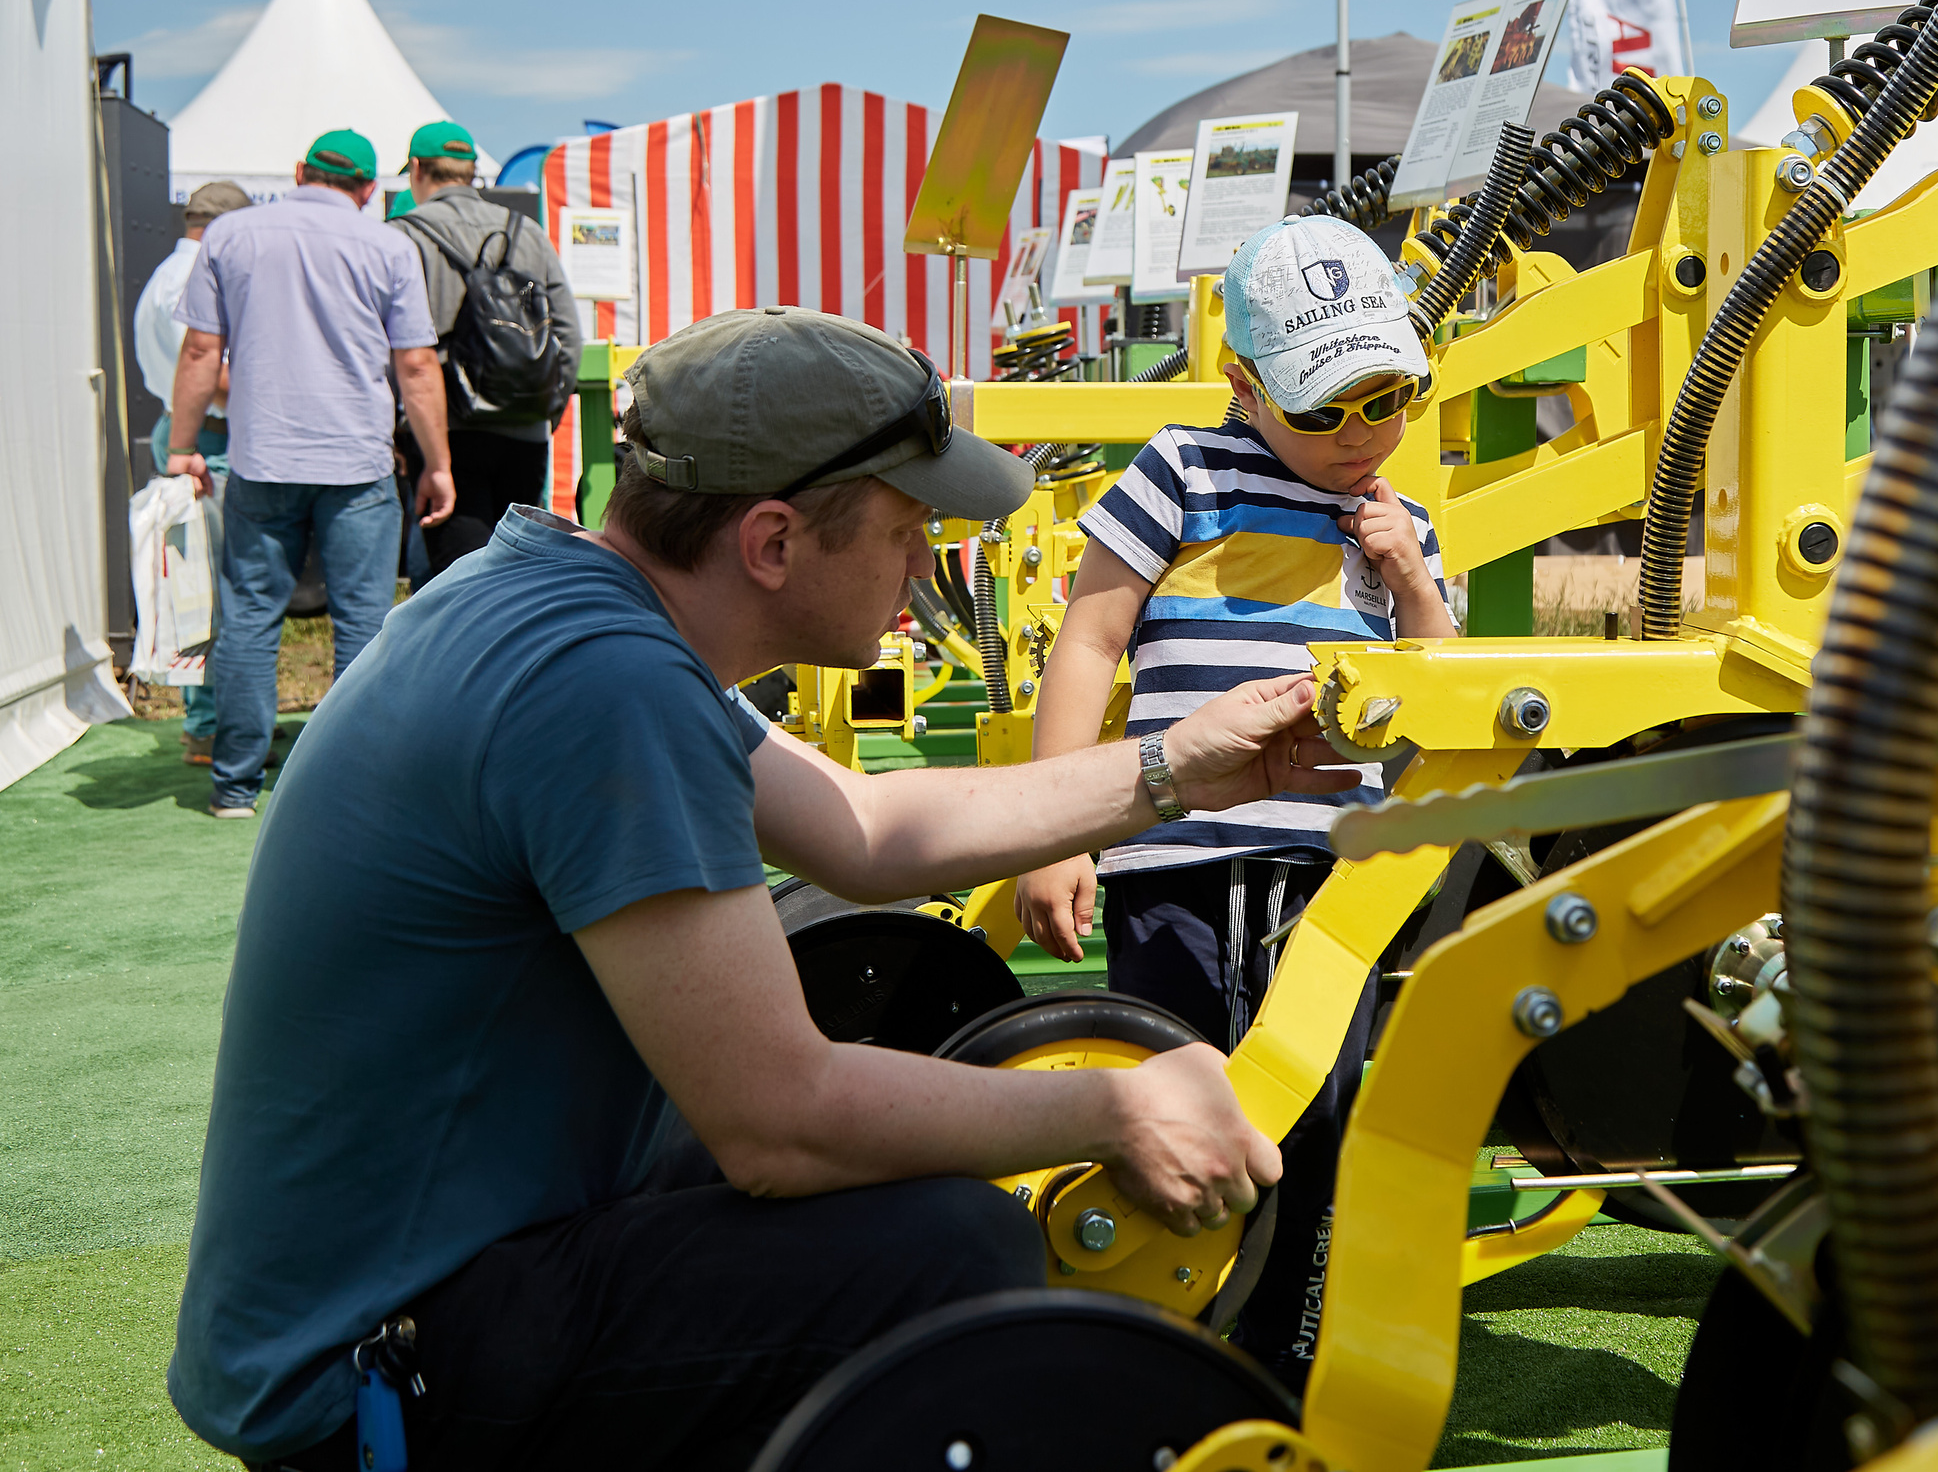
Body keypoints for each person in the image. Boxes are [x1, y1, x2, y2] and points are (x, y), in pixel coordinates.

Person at [167, 306, 1346, 1472]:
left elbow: (869, 830)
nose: (926, 563)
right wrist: (1114, 1106)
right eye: (907, 527)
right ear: (773, 542)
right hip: (366, 1379)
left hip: (403, 1295)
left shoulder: (563, 601)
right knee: (945, 1246)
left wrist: (1176, 767)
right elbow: (778, 1126)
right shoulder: (606, 686)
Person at [1012, 213, 1456, 1389]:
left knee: (1323, 1110)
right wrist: (1056, 828)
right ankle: (1153, 1336)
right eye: (1323, 408)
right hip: (1184, 854)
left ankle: (1287, 1345)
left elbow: (1442, 684)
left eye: (1387, 396)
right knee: (1173, 1091)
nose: (1361, 432)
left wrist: (1409, 570)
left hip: (1340, 871)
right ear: (1244, 386)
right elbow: (1090, 637)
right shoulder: (1183, 468)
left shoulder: (1398, 515)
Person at [165, 129, 456, 819]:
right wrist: (438, 464)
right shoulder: (387, 244)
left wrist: (181, 445)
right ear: (367, 189)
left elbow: (202, 348)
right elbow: (415, 366)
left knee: (248, 619)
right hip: (357, 461)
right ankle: (356, 785)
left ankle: (234, 786)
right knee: (362, 624)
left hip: (263, 459)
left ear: (299, 171)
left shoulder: (232, 235)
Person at [392, 120, 580, 582]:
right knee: (519, 577)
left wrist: (400, 428)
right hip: (524, 427)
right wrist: (543, 412)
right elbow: (569, 335)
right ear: (473, 171)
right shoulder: (526, 230)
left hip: (444, 433)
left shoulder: (401, 236)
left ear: (417, 169)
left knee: (458, 583)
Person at [133, 179, 252, 762]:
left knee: (198, 587)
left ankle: (215, 718)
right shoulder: (193, 278)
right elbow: (206, 369)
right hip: (206, 439)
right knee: (215, 591)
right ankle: (211, 726)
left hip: (184, 433)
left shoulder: (163, 274)